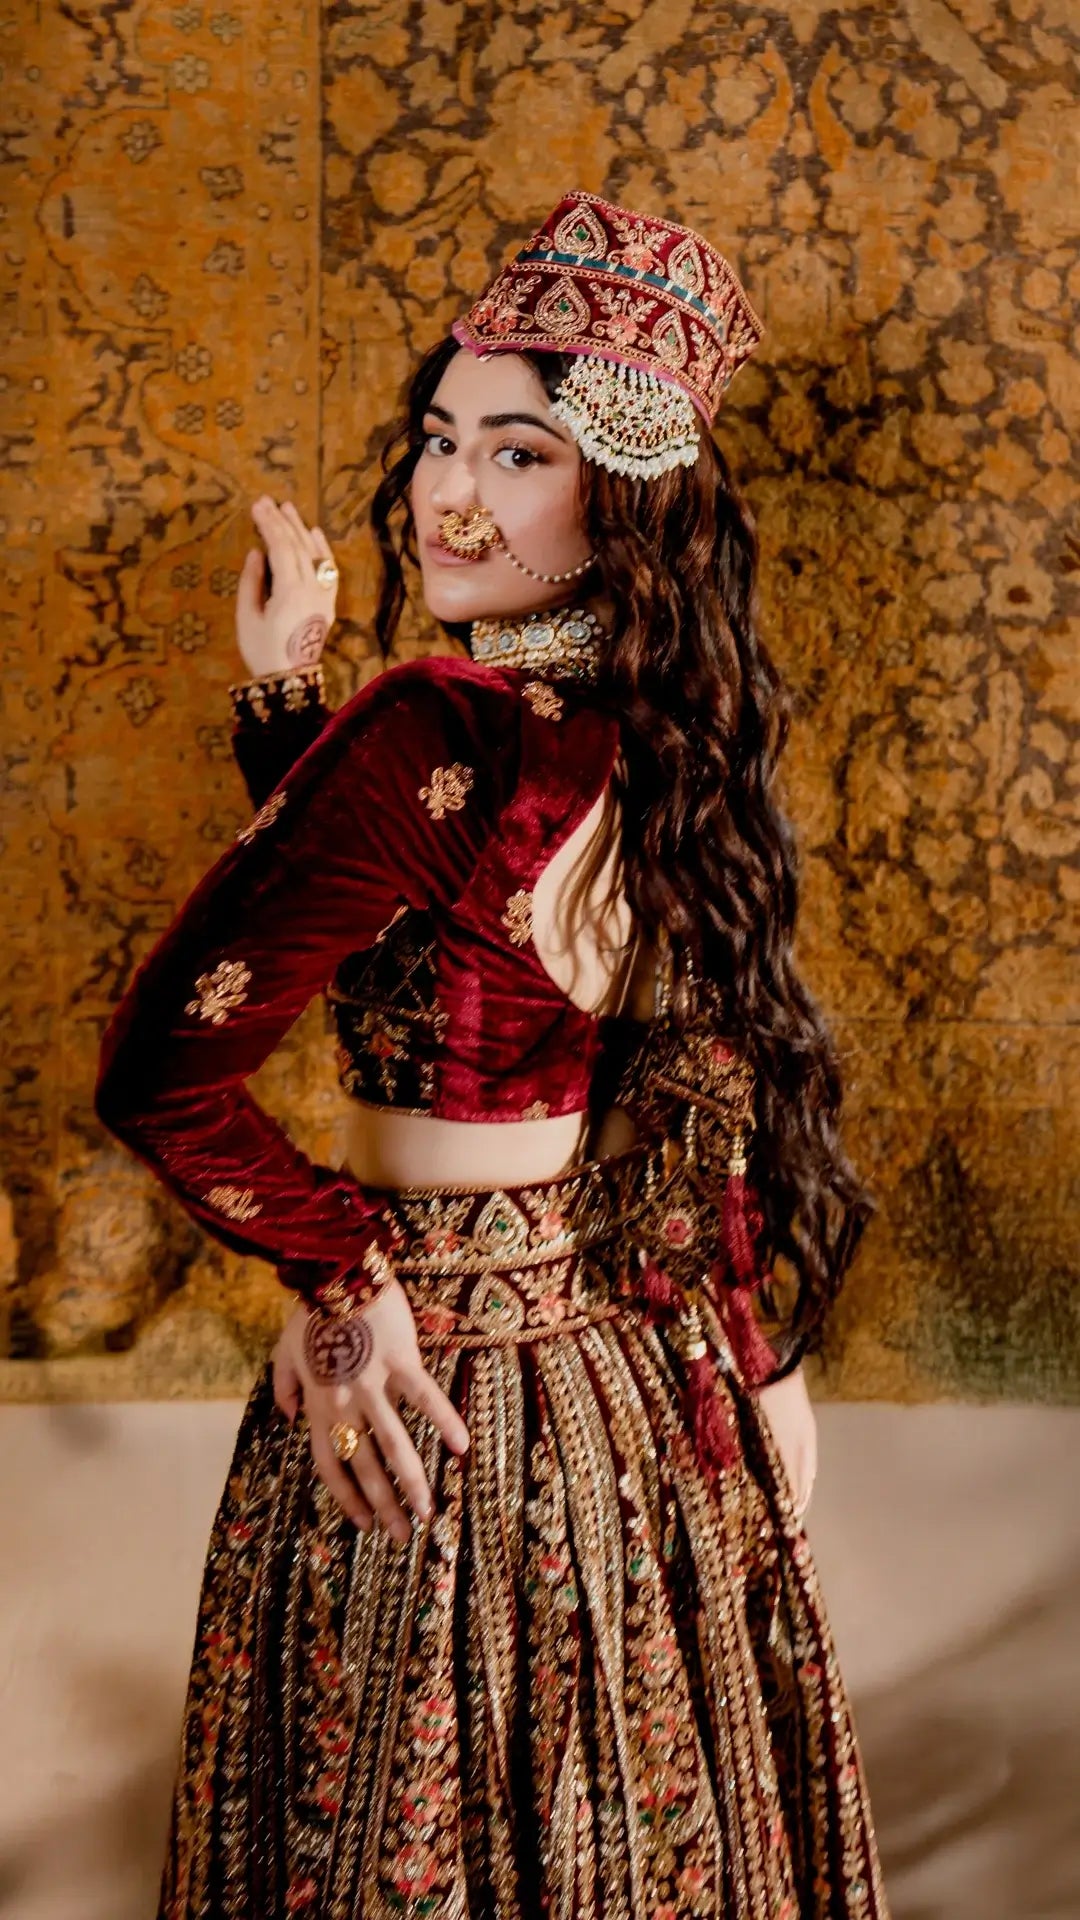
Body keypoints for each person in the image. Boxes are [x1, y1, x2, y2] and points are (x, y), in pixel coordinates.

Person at [95, 192, 890, 1917]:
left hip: (426, 1386)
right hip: (617, 1372)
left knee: (404, 1820)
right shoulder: (657, 735)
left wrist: (340, 1275)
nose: (449, 492)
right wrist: (756, 1352)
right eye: (442, 437)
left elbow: (162, 1075)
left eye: (518, 453)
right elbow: (469, 972)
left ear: (622, 497)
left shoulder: (436, 721)